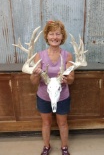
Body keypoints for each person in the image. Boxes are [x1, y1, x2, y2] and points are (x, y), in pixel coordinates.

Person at [30, 20, 74, 155]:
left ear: (62, 37)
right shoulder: (39, 55)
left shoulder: (67, 55)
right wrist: (36, 74)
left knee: (62, 123)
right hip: (44, 95)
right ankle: (46, 146)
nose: (55, 37)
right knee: (46, 123)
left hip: (62, 96)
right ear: (47, 36)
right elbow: (33, 81)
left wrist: (67, 78)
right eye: (51, 34)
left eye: (58, 34)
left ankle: (64, 147)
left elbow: (72, 79)